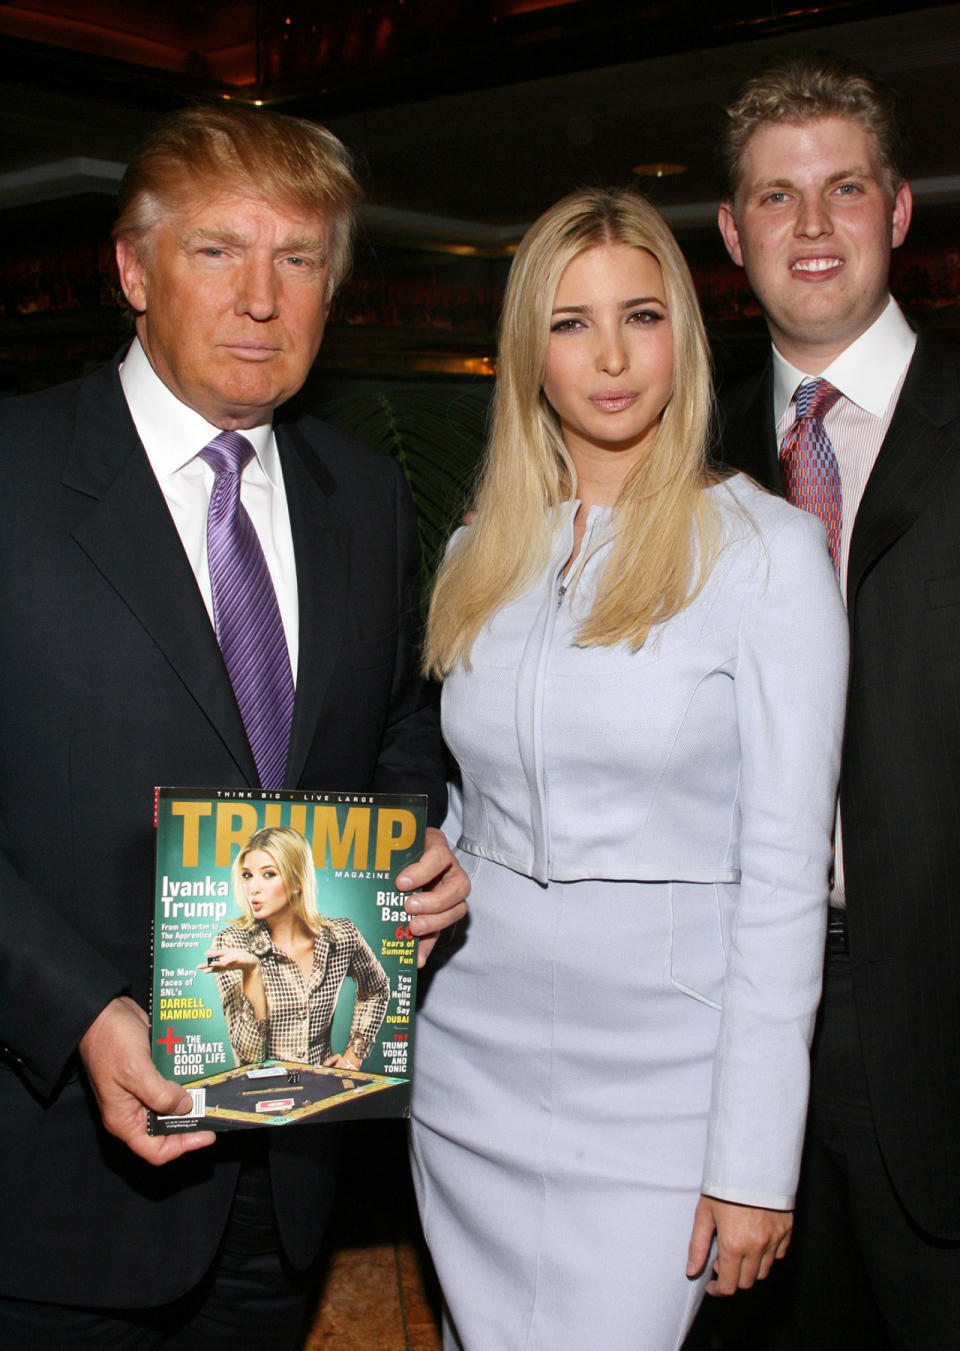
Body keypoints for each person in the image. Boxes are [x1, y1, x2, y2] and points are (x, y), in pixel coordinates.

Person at [0, 102, 468, 1349]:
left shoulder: (363, 498)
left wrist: (408, 846)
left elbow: (398, 731)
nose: (262, 296)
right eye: (219, 250)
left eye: (299, 258)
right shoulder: (10, 473)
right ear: (132, 269)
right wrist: (80, 1012)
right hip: (50, 1182)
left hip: (294, 1166)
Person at [408, 187, 847, 1351]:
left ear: (683, 335)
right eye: (569, 322)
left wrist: (755, 1158)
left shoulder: (768, 553)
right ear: (527, 353)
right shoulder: (477, 552)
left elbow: (787, 872)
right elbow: (472, 796)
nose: (610, 355)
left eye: (640, 315)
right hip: (471, 1059)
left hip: (665, 1080)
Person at [715, 50, 960, 1350]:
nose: (811, 226)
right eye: (776, 196)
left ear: (899, 208)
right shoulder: (675, 458)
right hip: (717, 1033)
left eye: (844, 188)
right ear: (733, 230)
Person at [207, 825, 390, 1069]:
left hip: (324, 1093)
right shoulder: (232, 944)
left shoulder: (342, 937)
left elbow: (377, 990)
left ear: (297, 881)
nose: (253, 888)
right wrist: (252, 973)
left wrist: (353, 1057)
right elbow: (248, 1058)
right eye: (247, 875)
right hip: (260, 1097)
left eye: (268, 874)